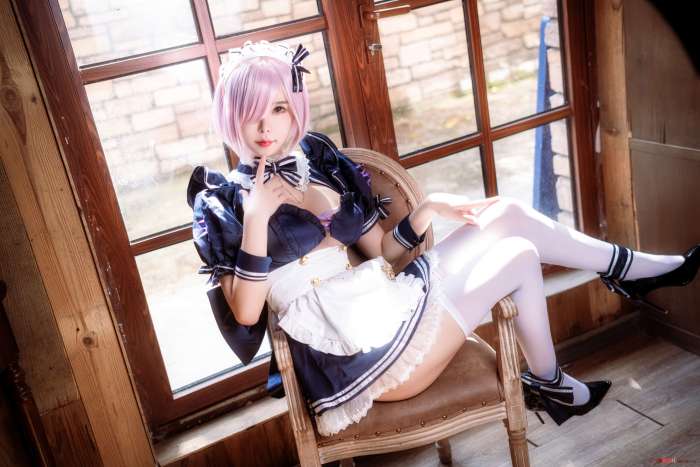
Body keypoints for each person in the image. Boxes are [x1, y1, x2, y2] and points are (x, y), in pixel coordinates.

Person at [187, 40, 700, 437]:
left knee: (509, 215)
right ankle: (556, 376)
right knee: (518, 254)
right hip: (355, 356)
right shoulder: (222, 203)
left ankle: (621, 278)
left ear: (294, 107)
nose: (265, 125)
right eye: (251, 111)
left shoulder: (318, 161)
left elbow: (382, 255)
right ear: (231, 115)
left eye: (278, 108)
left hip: (382, 299)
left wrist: (428, 209)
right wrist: (257, 218)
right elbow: (247, 314)